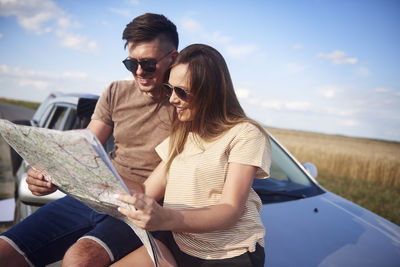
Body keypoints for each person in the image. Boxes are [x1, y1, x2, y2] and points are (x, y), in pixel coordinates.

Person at [0, 13, 178, 267]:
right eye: (131, 64)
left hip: (140, 209)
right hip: (92, 198)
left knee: (79, 259)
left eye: (148, 64)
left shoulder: (185, 104)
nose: (139, 72)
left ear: (173, 57)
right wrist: (48, 172)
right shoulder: (116, 91)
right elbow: (84, 145)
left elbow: (150, 192)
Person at [112, 44, 271, 267]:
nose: (172, 99)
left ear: (211, 93)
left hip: (226, 256)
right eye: (170, 89)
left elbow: (230, 210)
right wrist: (86, 173)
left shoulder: (245, 133)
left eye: (182, 92)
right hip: (179, 244)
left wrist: (165, 218)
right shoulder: (184, 133)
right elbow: (146, 190)